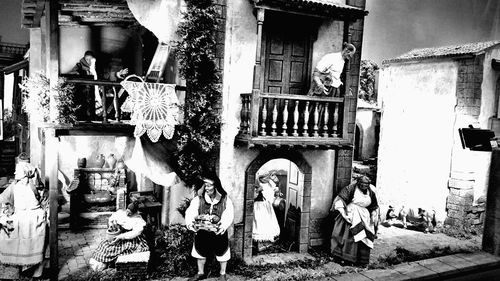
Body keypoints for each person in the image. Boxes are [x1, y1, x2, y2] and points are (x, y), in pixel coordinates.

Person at [0, 158, 48, 278]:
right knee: (8, 235)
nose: (17, 177)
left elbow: (46, 202)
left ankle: (37, 271)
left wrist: (46, 214)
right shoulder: (14, 186)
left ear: (27, 175)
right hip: (19, 216)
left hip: (34, 217)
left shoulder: (37, 186)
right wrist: (7, 210)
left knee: (37, 240)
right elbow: (3, 199)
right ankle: (17, 268)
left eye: (20, 176)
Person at [185, 172, 234, 281]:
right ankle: (201, 272)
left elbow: (228, 214)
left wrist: (223, 225)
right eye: (204, 185)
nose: (206, 188)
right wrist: (191, 224)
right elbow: (191, 212)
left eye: (208, 185)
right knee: (200, 250)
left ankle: (222, 273)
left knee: (222, 250)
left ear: (216, 185)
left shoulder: (225, 199)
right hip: (203, 231)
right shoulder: (199, 199)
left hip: (217, 230)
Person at [330, 175, 378, 266]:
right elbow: (340, 201)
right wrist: (344, 215)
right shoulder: (350, 189)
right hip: (351, 214)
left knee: (364, 237)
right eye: (362, 184)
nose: (364, 186)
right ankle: (344, 259)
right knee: (348, 236)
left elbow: (374, 205)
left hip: (364, 216)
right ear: (358, 183)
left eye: (366, 185)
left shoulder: (370, 192)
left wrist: (373, 215)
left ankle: (361, 261)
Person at [89, 201, 149, 271]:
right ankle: (100, 262)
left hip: (130, 238)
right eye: (127, 211)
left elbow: (135, 233)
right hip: (118, 234)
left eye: (130, 213)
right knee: (105, 245)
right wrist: (111, 225)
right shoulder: (121, 213)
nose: (127, 213)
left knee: (117, 249)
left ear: (135, 212)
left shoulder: (138, 220)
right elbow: (111, 219)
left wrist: (120, 237)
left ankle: (111, 264)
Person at [252, 174, 281, 251]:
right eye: (262, 177)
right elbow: (253, 196)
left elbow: (275, 191)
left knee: (268, 222)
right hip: (258, 205)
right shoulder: (256, 183)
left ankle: (267, 242)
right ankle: (259, 243)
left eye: (266, 177)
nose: (265, 179)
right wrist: (257, 191)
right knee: (259, 223)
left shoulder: (270, 183)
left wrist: (276, 189)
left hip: (266, 204)